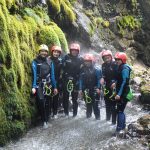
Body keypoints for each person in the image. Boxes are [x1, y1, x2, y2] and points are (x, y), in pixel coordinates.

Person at [32, 44, 58, 129]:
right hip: (39, 84)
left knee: (48, 102)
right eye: (42, 51)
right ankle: (44, 121)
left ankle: (47, 119)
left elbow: (52, 76)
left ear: (47, 52)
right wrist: (34, 86)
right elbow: (34, 74)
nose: (43, 53)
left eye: (45, 51)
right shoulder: (35, 61)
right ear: (39, 52)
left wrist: (55, 87)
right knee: (41, 101)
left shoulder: (50, 62)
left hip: (48, 84)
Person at [62, 43, 83, 117]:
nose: (74, 52)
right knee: (65, 97)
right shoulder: (66, 57)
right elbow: (61, 66)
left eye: (76, 50)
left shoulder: (80, 59)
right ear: (70, 50)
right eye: (73, 50)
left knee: (75, 98)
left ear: (78, 51)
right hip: (66, 79)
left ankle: (75, 114)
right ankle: (66, 113)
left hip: (76, 80)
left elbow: (85, 67)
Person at [79, 54, 101, 120]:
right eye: (86, 61)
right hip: (86, 89)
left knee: (95, 105)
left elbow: (99, 79)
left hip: (94, 89)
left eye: (89, 61)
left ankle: (97, 118)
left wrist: (98, 88)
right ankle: (88, 119)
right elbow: (81, 79)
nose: (87, 62)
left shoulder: (96, 69)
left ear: (92, 61)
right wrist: (80, 89)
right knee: (88, 105)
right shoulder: (82, 69)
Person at [114, 52, 132, 135]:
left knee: (120, 111)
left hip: (123, 93)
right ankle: (123, 126)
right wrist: (115, 82)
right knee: (121, 110)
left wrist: (119, 94)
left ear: (123, 60)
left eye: (118, 59)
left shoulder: (125, 68)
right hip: (121, 91)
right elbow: (120, 79)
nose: (117, 61)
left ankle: (119, 130)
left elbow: (124, 82)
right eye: (116, 59)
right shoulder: (120, 67)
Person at [100, 50, 117, 125]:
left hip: (114, 87)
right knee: (107, 103)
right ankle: (107, 119)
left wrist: (115, 82)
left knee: (113, 104)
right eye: (105, 58)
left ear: (111, 57)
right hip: (107, 86)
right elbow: (103, 74)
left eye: (108, 58)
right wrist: (102, 78)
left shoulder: (115, 64)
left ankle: (113, 122)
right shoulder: (103, 65)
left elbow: (119, 75)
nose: (107, 59)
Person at [49, 45, 62, 119]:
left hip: (57, 81)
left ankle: (55, 112)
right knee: (49, 97)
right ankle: (49, 112)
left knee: (56, 98)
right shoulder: (48, 60)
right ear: (52, 52)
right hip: (49, 81)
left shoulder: (60, 61)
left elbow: (62, 72)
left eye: (57, 52)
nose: (56, 53)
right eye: (55, 52)